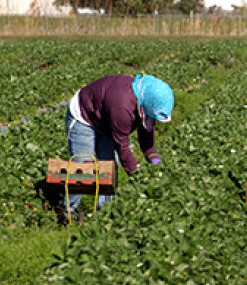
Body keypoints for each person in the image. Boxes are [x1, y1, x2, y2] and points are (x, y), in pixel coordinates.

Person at [63, 74, 173, 217]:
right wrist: (136, 174)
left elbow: (146, 134)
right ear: (147, 105)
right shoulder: (123, 107)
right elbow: (122, 146)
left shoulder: (144, 100)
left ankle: (103, 213)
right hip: (83, 115)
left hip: (106, 119)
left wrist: (154, 159)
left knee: (109, 167)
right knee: (83, 167)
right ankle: (67, 213)